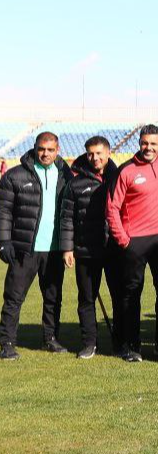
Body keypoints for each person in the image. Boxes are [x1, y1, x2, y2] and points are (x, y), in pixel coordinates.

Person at [106, 125, 158, 362]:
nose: (149, 147)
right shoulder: (126, 170)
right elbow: (112, 208)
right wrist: (124, 240)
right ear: (139, 142)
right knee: (131, 294)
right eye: (145, 143)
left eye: (153, 143)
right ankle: (131, 346)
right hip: (134, 241)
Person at [0, 132, 71, 358]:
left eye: (50, 149)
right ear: (35, 147)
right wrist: (4, 241)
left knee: (53, 298)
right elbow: (3, 211)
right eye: (41, 149)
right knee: (14, 298)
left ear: (57, 150)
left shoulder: (66, 174)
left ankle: (50, 339)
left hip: (55, 249)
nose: (45, 153)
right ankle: (7, 343)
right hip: (25, 248)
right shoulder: (15, 175)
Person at [59, 136, 121, 359]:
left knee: (119, 297)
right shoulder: (75, 183)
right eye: (90, 154)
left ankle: (121, 342)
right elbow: (67, 218)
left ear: (108, 153)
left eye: (99, 153)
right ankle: (89, 343)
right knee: (86, 299)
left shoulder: (120, 177)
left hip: (114, 250)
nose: (95, 158)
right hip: (85, 250)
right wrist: (67, 248)